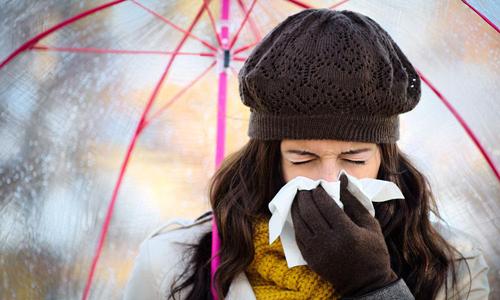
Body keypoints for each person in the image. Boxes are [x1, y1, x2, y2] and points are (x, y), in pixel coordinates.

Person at [123, 8, 490, 300]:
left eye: (355, 159)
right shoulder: (172, 263)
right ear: (269, 160)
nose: (329, 180)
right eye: (302, 159)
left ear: (385, 159)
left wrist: (375, 287)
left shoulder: (452, 266)